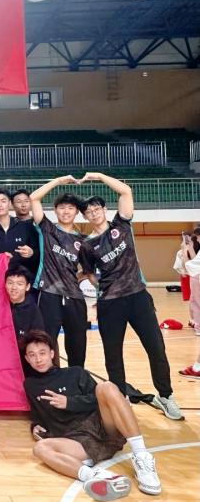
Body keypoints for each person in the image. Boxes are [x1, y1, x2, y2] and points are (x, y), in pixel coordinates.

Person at [78, 172, 182, 420]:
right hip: (110, 303)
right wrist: (105, 286)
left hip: (138, 297)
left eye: (97, 208)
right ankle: (120, 399)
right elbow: (89, 274)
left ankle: (166, 396)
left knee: (156, 348)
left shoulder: (121, 225)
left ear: (104, 209)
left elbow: (125, 191)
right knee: (113, 354)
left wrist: (98, 176)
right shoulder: (88, 245)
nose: (94, 213)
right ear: (85, 217)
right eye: (89, 212)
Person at [21, 330, 162, 502]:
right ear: (27, 359)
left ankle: (142, 457)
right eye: (32, 355)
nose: (38, 359)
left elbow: (98, 400)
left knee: (106, 387)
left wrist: (69, 402)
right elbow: (37, 413)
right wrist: (35, 425)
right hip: (78, 442)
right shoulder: (30, 385)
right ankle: (98, 477)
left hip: (103, 428)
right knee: (40, 448)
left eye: (42, 353)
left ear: (52, 353)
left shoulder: (75, 373)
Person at [30, 177, 88, 368]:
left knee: (77, 345)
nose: (66, 211)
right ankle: (49, 379)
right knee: (46, 341)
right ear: (55, 210)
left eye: (71, 208)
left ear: (77, 212)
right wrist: (59, 181)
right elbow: (34, 198)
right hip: (49, 294)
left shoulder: (83, 240)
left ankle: (76, 378)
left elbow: (87, 270)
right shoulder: (47, 229)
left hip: (75, 298)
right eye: (62, 207)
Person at [5, 266, 44, 339]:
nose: (14, 287)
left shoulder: (33, 311)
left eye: (19, 284)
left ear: (27, 287)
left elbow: (38, 339)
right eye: (10, 283)